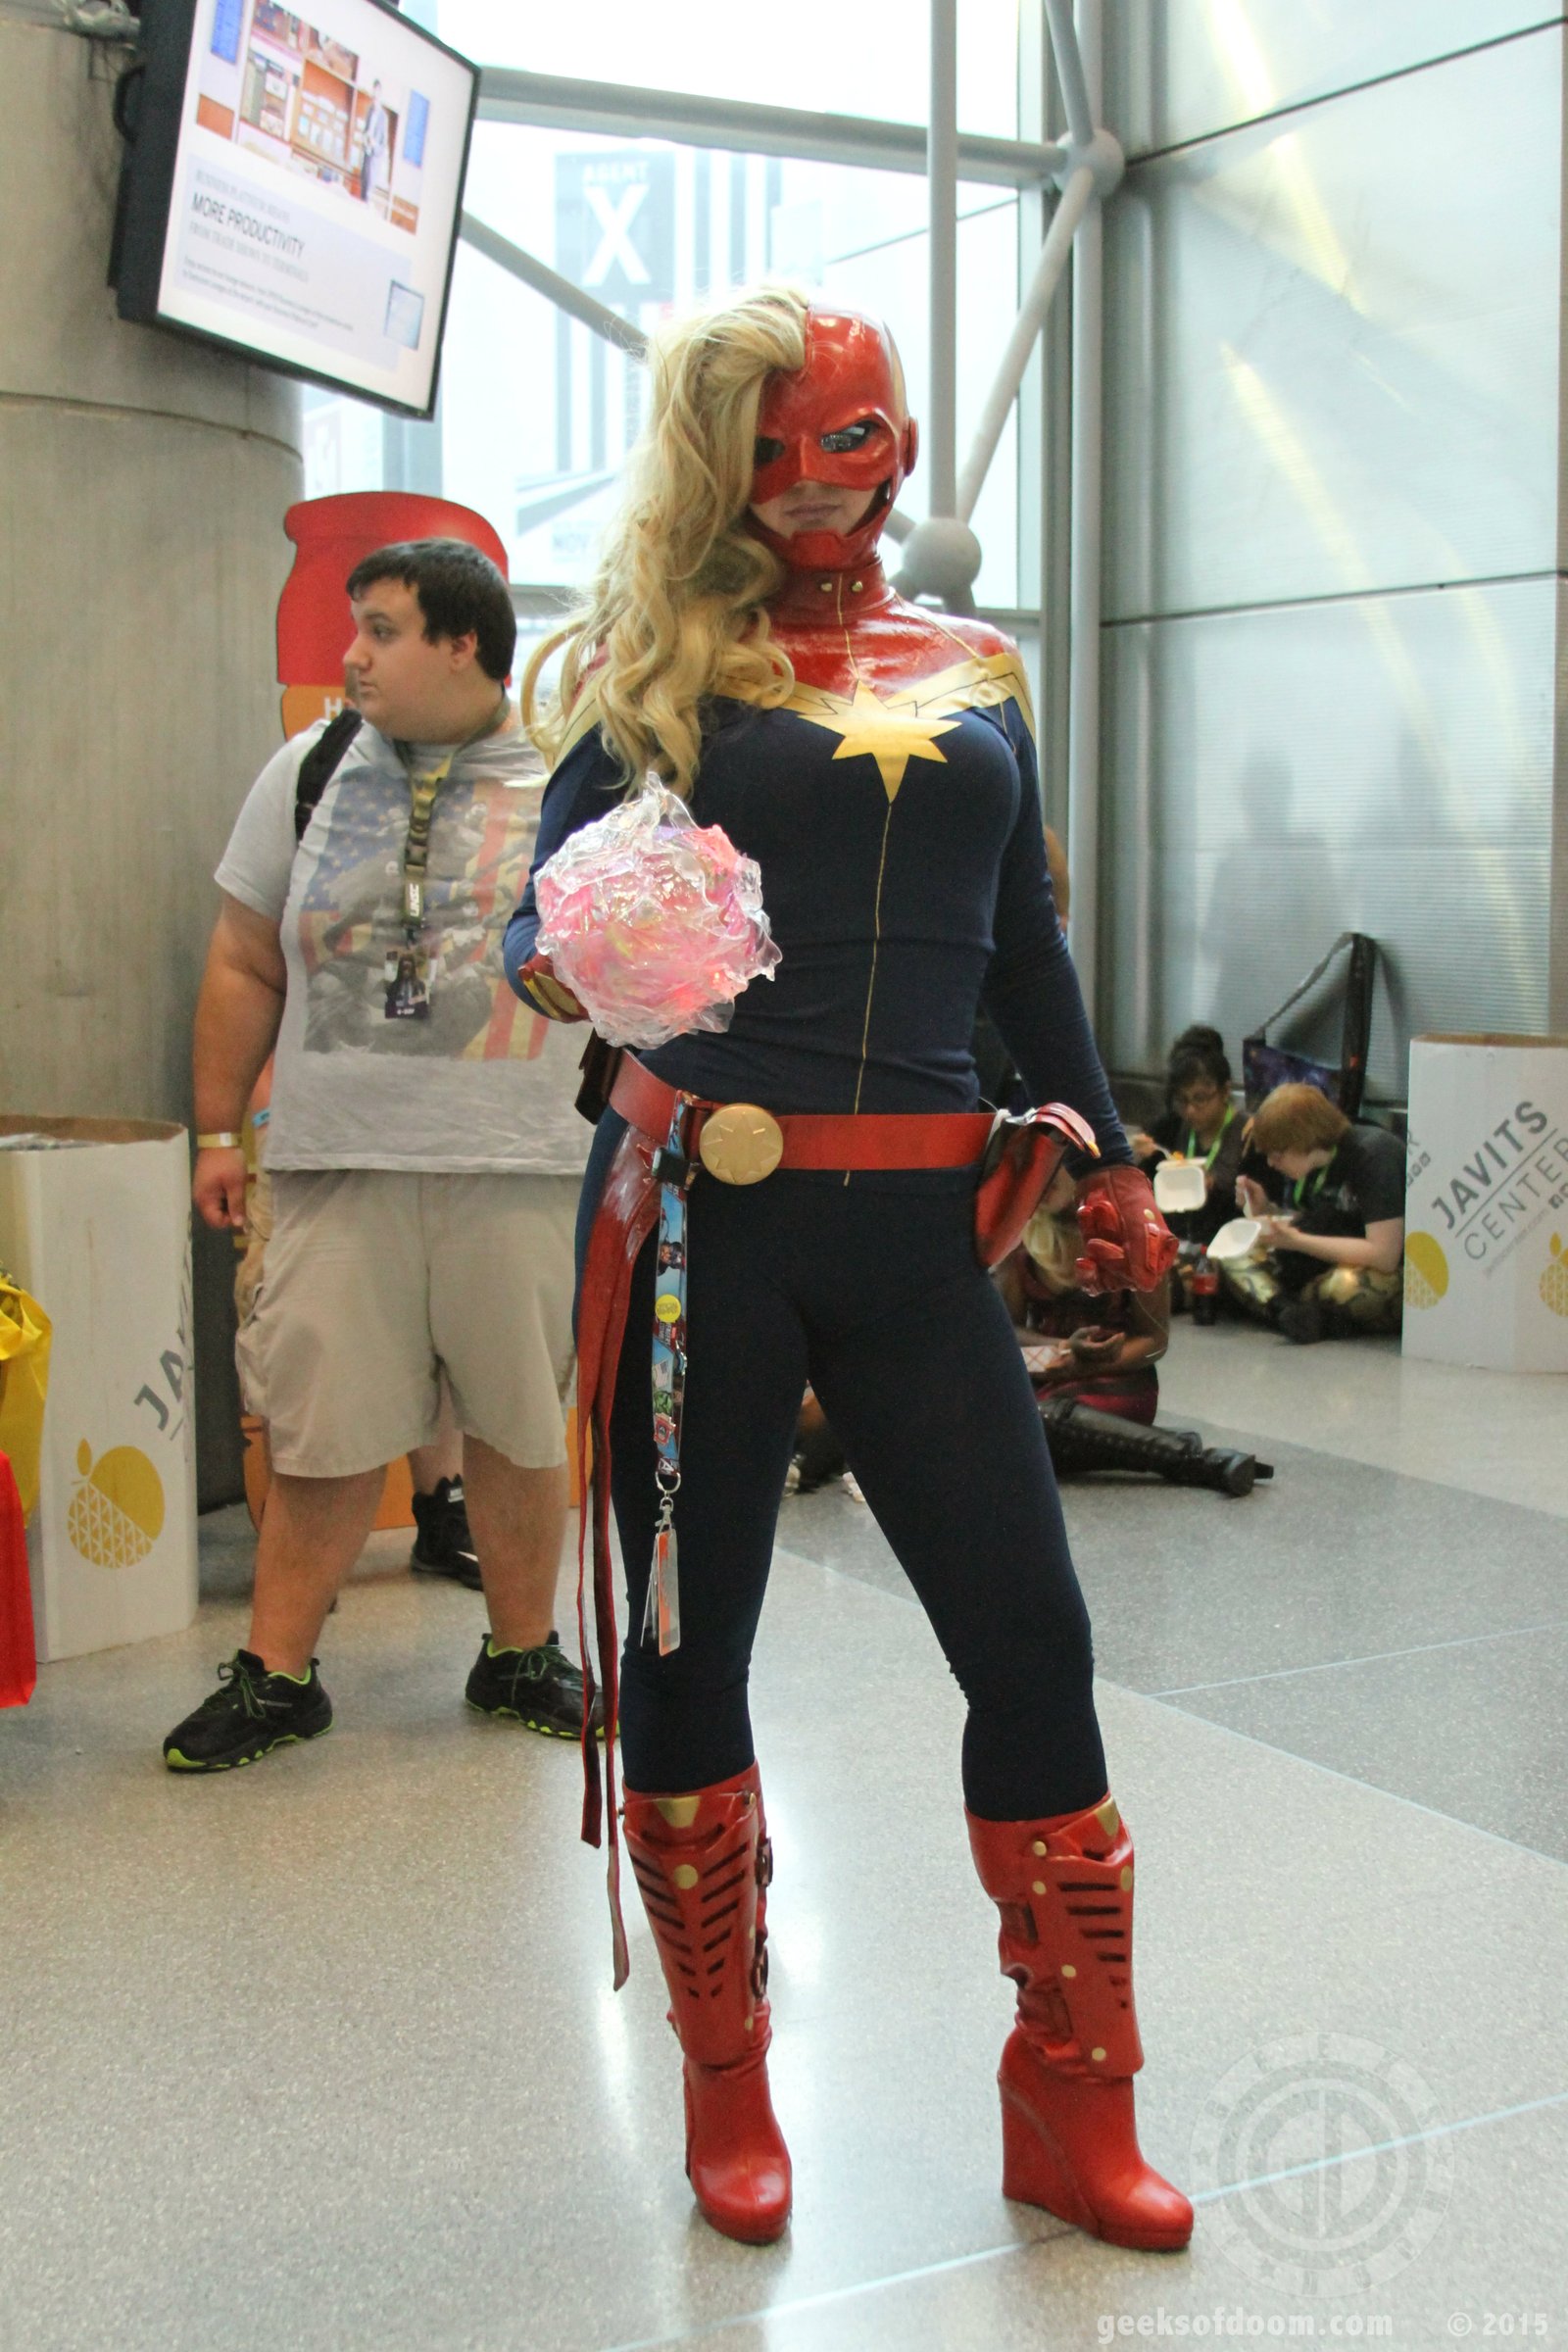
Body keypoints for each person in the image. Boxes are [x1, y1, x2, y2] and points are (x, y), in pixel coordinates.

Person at [505, 291, 1192, 2254]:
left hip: (916, 1232)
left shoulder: (978, 667)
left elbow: (1021, 955)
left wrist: (1111, 1154)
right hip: (695, 1228)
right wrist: (576, 953)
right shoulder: (651, 673)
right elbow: (530, 937)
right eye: (780, 444)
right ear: (720, 465)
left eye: (856, 436)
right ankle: (727, 2086)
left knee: (1029, 1645)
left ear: (900, 444)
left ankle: (1071, 2107)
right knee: (681, 1649)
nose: (820, 480)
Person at [164, 539, 597, 1772]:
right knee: (319, 1432)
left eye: (382, 630)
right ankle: (278, 1675)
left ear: (464, 643)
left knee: (519, 1426)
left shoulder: (572, 781)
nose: (351, 656)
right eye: (354, 626)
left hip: (520, 1163)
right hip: (334, 1161)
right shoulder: (303, 773)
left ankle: (519, 1651)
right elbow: (243, 959)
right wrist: (213, 1129)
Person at [997, 1171, 1271, 1496]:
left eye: (1054, 1169)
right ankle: (1144, 1442)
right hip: (1048, 1372)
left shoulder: (1139, 1233)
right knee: (1008, 1436)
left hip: (1119, 1378)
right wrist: (1061, 1349)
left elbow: (1154, 1341)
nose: (1040, 1176)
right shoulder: (1017, 1234)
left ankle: (1199, 1461)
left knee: (1033, 1429)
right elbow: (1006, 1330)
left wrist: (1086, 1363)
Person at [1228, 1082, 1405, 1343]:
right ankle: (1291, 1311)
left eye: (1277, 1154)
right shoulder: (1313, 1163)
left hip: (1385, 1270)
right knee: (1233, 1256)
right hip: (1327, 1263)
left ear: (1303, 1139)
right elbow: (1316, 1224)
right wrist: (1267, 1211)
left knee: (1346, 1286)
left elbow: (1385, 1254)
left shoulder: (1374, 1154)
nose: (1271, 1163)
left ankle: (1291, 1309)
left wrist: (1297, 1242)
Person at [1130, 1026, 1246, 1275]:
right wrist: (1140, 1157)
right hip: (1177, 1246)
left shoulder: (1246, 1134)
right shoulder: (1169, 1129)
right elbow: (1141, 1194)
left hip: (1227, 1249)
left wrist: (1215, 1189)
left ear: (1225, 1091)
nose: (1191, 1110)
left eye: (1201, 1098)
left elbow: (1251, 1212)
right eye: (1182, 1100)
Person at [358, 80, 389, 206]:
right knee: (362, 188)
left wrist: (374, 143)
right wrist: (365, 139)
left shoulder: (384, 118)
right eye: (373, 91)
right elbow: (365, 130)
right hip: (366, 154)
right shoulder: (369, 111)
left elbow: (383, 145)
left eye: (377, 92)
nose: (374, 95)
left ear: (380, 94)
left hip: (374, 159)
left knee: (368, 194)